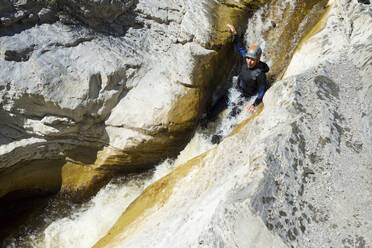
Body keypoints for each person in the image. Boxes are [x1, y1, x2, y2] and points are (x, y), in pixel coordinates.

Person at [226, 23, 269, 113]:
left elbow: (261, 91)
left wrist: (254, 104)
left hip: (246, 96)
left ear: (258, 60)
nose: (249, 61)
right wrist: (234, 33)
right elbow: (239, 47)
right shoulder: (246, 57)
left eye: (252, 59)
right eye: (248, 58)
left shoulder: (260, 74)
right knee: (223, 106)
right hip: (237, 90)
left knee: (232, 114)